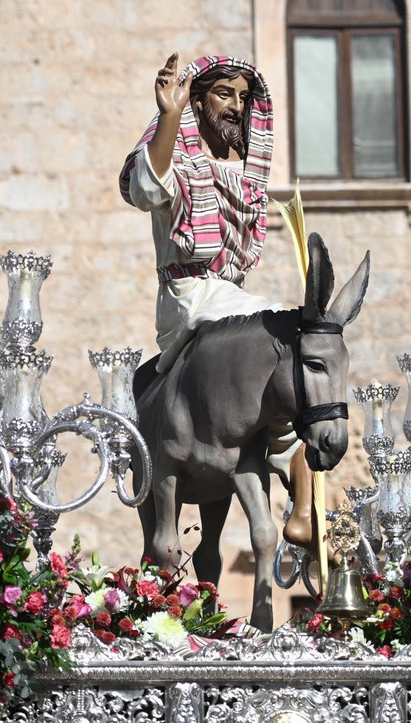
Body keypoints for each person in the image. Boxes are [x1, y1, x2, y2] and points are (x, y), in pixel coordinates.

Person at [119, 52, 316, 549]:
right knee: (279, 332)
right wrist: (169, 113)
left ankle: (307, 507)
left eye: (243, 98)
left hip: (229, 296)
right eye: (223, 94)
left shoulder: (238, 171)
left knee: (295, 348)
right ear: (200, 99)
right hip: (187, 295)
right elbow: (145, 188)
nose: (234, 106)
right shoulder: (179, 156)